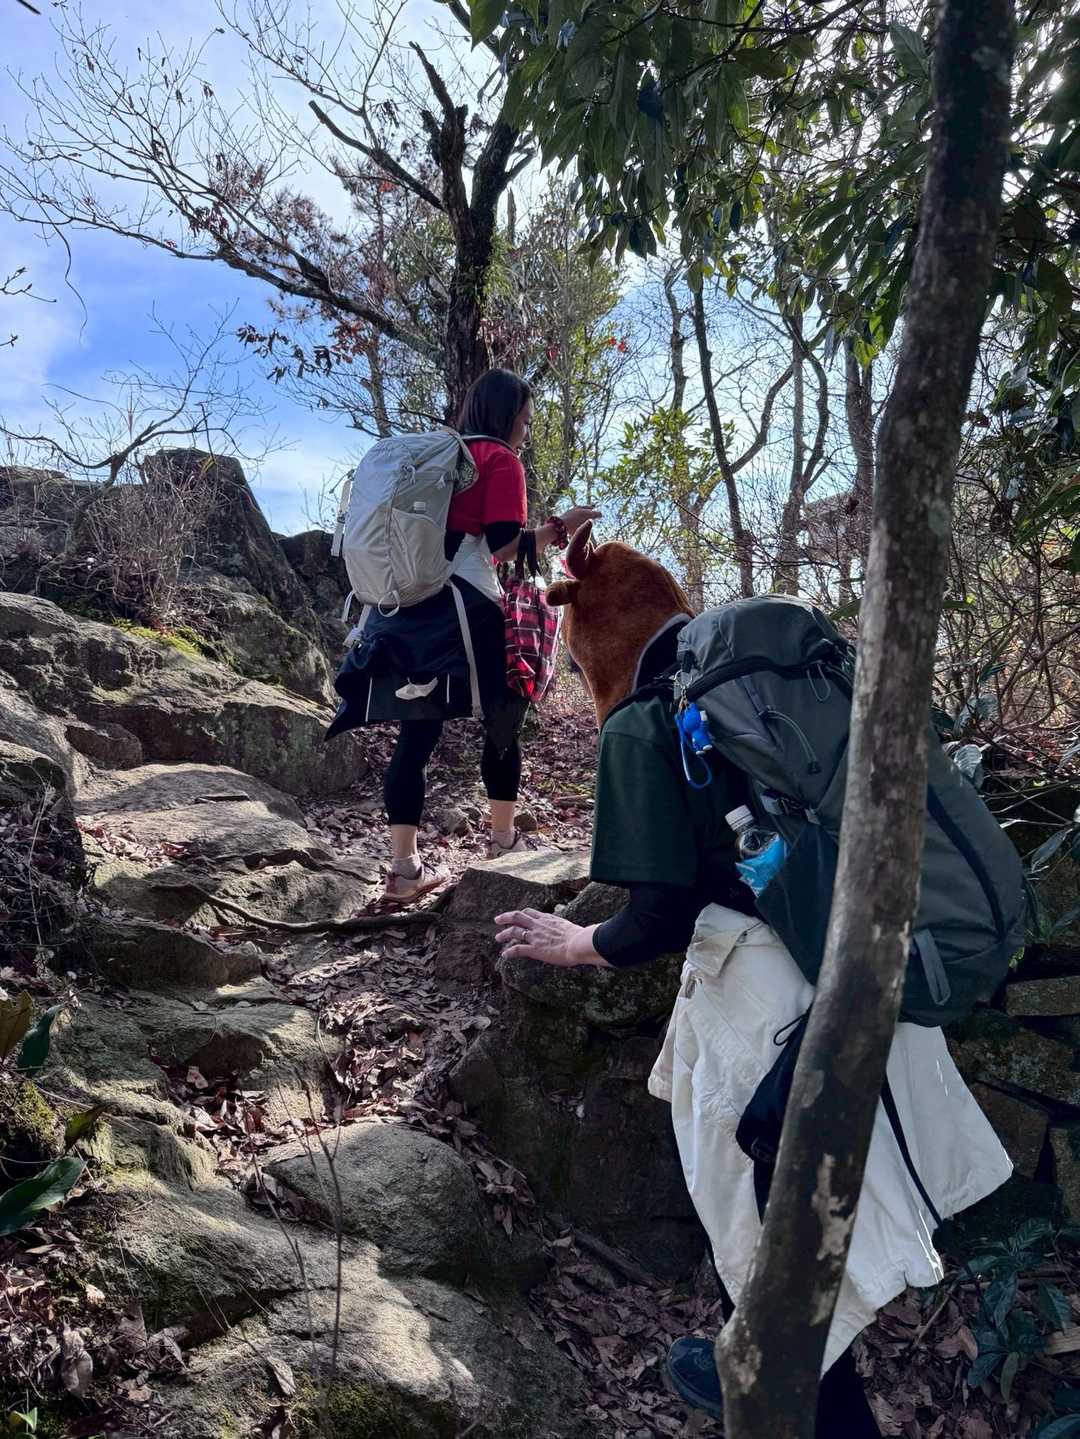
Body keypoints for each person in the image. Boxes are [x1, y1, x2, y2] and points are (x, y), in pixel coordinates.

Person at [495, 524, 1012, 1434]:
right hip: (854, 957)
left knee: (769, 1229)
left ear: (589, 638)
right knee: (808, 1223)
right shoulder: (753, 695)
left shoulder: (645, 719)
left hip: (763, 996)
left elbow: (655, 916)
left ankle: (794, 1395)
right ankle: (767, 1364)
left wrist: (574, 943)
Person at [327, 369, 599, 905]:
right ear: (507, 417)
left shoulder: (441, 460)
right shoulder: (499, 460)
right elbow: (503, 546)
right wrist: (560, 527)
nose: (526, 430)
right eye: (525, 420)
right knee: (503, 722)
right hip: (465, 607)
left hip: (402, 608)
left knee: (415, 737)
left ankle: (404, 870)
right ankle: (504, 842)